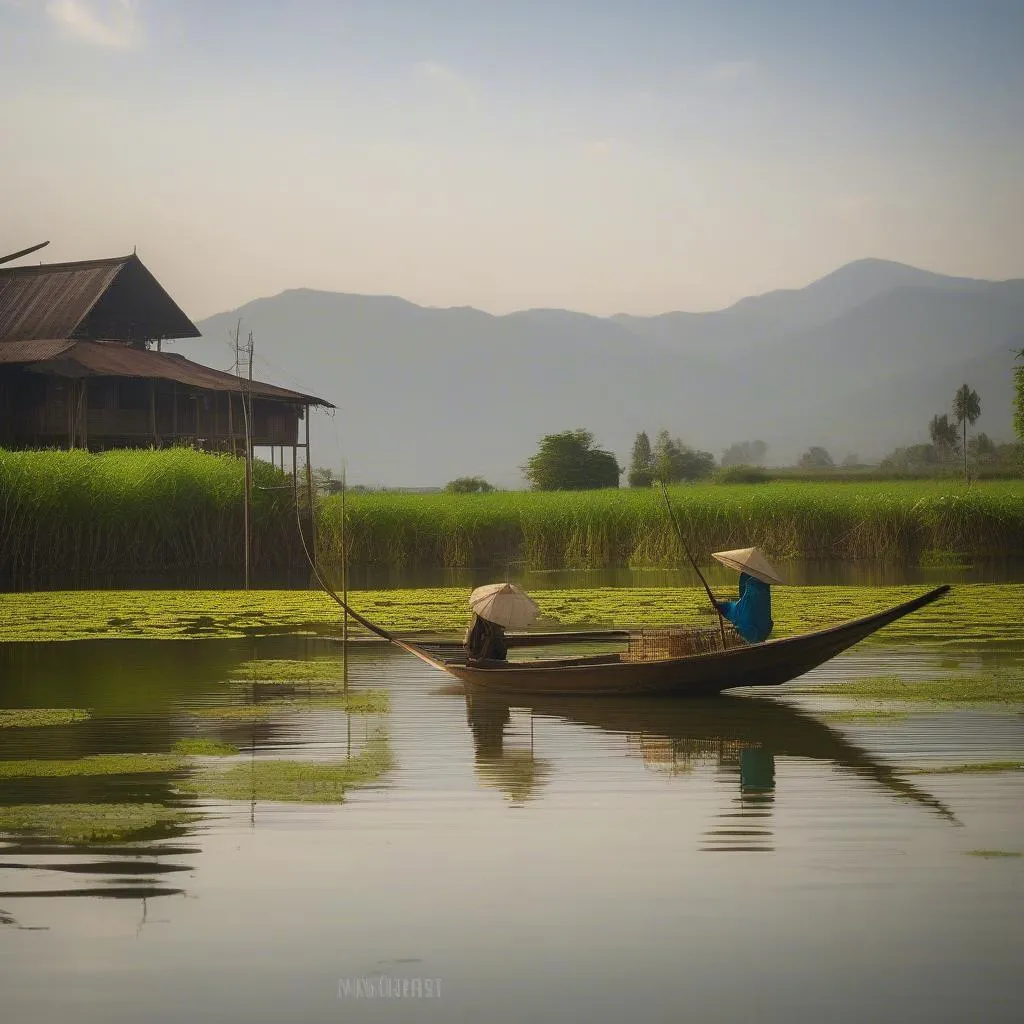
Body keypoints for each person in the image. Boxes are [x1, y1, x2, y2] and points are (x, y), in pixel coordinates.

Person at [711, 547, 782, 644]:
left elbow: (741, 607)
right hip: (759, 628)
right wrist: (721, 606)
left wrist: (721, 607)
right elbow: (740, 605)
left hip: (756, 628)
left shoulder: (755, 584)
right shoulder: (756, 580)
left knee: (749, 627)